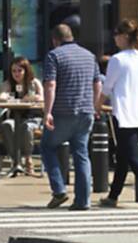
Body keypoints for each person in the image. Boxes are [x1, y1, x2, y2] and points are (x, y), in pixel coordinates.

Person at [40, 23, 104, 210]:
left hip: (63, 112)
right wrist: (94, 106)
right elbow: (97, 84)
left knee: (47, 146)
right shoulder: (89, 55)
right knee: (81, 154)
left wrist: (47, 112)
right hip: (85, 112)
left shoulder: (54, 55)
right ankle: (83, 200)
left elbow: (50, 85)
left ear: (55, 40)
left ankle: (59, 190)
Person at [102, 21, 138, 209]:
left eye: (117, 33)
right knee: (124, 156)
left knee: (132, 156)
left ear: (125, 36)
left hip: (124, 113)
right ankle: (113, 196)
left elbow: (107, 88)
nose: (114, 37)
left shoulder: (117, 60)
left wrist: (96, 106)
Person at [0, 56, 44, 173]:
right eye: (14, 71)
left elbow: (42, 98)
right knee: (6, 125)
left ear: (26, 70)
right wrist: (6, 97)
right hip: (14, 117)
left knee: (26, 127)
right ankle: (16, 160)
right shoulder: (8, 83)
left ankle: (28, 158)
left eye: (19, 70)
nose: (16, 74)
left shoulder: (34, 83)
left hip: (33, 117)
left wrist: (33, 97)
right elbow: (1, 97)